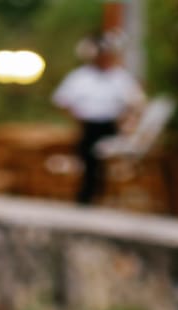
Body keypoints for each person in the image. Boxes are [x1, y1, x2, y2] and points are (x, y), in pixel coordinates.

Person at [54, 35, 145, 205]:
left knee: (107, 163)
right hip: (88, 125)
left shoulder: (120, 77)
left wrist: (126, 121)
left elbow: (136, 103)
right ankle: (87, 197)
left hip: (110, 125)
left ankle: (102, 196)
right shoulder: (79, 77)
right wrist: (76, 118)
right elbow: (62, 101)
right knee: (88, 161)